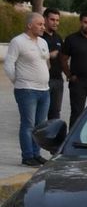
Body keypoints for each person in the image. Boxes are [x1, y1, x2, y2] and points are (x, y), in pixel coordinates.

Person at [4, 13, 51, 167]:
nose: (43, 27)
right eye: (40, 24)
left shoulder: (43, 42)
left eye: (43, 24)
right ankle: (27, 156)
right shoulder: (18, 41)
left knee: (40, 125)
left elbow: (45, 62)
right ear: (30, 25)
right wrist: (17, 81)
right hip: (27, 90)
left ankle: (36, 154)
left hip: (44, 90)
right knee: (28, 124)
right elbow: (9, 64)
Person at [41, 8, 65, 121]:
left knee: (55, 113)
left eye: (57, 20)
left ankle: (52, 137)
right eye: (52, 19)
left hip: (58, 80)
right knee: (40, 112)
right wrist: (49, 55)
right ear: (45, 19)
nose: (55, 22)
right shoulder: (39, 37)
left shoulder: (58, 37)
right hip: (42, 81)